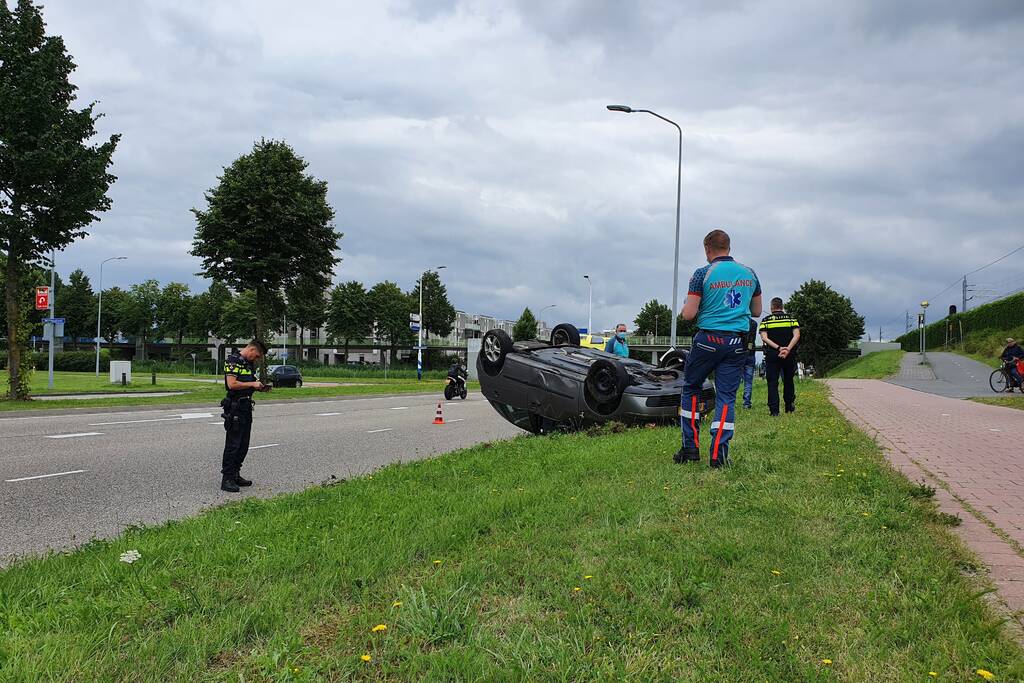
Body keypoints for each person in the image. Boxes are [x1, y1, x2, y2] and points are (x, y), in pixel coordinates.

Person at [675, 229, 762, 468]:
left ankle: (690, 448)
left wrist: (687, 307)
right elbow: (756, 311)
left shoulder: (702, 274)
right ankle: (718, 456)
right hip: (736, 343)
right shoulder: (750, 273)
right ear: (729, 247)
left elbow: (689, 314)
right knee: (726, 397)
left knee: (691, 388)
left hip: (707, 341)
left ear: (707, 248)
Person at [220, 340, 270, 493]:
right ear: (251, 349)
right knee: (233, 444)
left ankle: (235, 474)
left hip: (246, 406)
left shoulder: (248, 364)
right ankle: (226, 478)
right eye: (256, 356)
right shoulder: (233, 361)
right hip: (235, 407)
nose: (256, 359)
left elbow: (250, 381)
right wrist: (251, 385)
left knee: (243, 444)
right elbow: (232, 384)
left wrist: (259, 386)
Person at [759, 298, 801, 416]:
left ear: (772, 307)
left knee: (772, 383)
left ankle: (774, 411)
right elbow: (797, 335)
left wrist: (778, 348)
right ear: (782, 307)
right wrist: (788, 348)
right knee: (788, 380)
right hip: (789, 355)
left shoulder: (766, 320)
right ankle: (789, 407)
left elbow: (764, 337)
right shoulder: (791, 319)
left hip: (772, 355)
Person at [740, 317, 758, 409]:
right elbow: (752, 338)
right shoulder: (754, 323)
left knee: (733, 380)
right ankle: (746, 403)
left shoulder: (738, 322)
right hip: (750, 353)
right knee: (748, 381)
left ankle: (729, 401)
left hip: (738, 353)